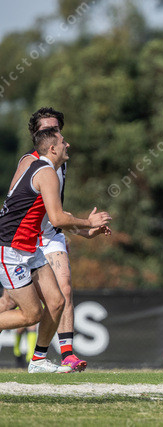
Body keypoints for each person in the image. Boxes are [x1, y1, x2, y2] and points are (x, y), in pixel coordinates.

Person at [0, 107, 111, 372]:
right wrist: (89, 222)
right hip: (11, 248)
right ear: (51, 148)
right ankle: (43, 357)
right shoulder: (42, 169)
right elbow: (57, 218)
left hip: (31, 246)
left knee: (58, 301)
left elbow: (54, 216)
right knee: (31, 314)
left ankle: (38, 361)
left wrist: (85, 231)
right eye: (61, 141)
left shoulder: (52, 168)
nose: (66, 143)